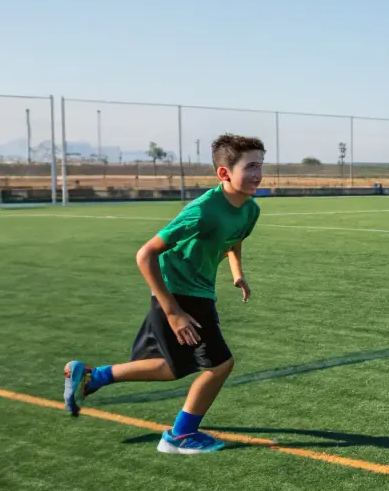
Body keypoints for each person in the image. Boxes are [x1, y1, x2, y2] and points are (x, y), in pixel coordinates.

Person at [62, 134, 266, 452]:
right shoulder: (203, 211)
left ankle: (92, 377)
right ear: (224, 173)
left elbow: (234, 237)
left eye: (260, 166)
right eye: (250, 166)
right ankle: (180, 436)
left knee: (171, 367)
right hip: (180, 294)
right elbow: (146, 254)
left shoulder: (249, 210)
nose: (257, 174)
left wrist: (237, 273)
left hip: (198, 293)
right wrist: (173, 312)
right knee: (220, 365)